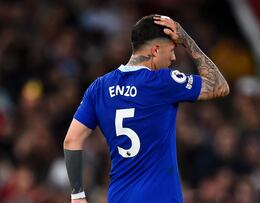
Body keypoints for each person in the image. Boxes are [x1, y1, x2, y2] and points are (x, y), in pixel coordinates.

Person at [63, 14, 229, 203]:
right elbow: (219, 85)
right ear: (156, 50)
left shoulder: (99, 88)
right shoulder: (163, 81)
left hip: (120, 197)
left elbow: (71, 141)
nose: (173, 57)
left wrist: (77, 195)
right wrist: (187, 40)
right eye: (172, 49)